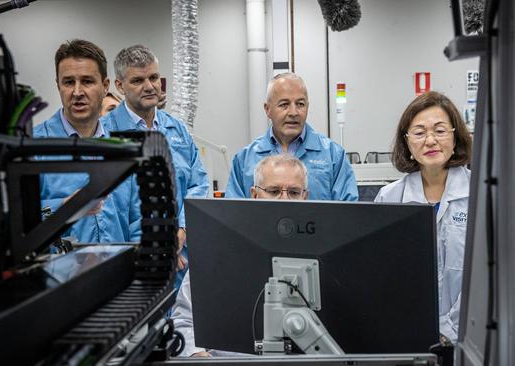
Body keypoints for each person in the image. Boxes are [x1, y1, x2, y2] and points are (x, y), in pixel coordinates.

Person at [172, 154, 309, 357]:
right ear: (254, 194)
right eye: (273, 191)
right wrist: (195, 354)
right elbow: (184, 320)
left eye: (294, 192)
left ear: (305, 197)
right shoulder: (217, 250)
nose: (285, 199)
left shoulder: (319, 254)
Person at [100, 45, 209, 285]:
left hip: (180, 262)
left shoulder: (177, 129)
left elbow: (198, 185)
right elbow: (108, 210)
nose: (149, 86)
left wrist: (181, 234)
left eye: (153, 77)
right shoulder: (104, 133)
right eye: (138, 80)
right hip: (133, 267)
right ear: (119, 86)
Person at [374, 91, 472, 343]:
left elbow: (486, 272)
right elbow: (381, 274)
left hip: (469, 335)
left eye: (440, 131)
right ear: (407, 143)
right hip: (407, 334)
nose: (430, 141)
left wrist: (449, 329)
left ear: (455, 137)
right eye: (419, 133)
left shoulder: (480, 193)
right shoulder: (390, 199)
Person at [34, 39, 140, 243]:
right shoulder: (32, 148)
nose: (77, 92)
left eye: (87, 81)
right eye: (68, 82)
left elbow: (136, 221)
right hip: (59, 273)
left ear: (105, 86)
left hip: (117, 270)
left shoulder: (123, 148)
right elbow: (15, 223)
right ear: (58, 86)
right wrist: (65, 208)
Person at [225, 72, 358, 201]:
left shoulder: (333, 156)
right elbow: (233, 215)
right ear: (267, 109)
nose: (293, 112)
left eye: (300, 104)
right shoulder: (244, 160)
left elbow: (347, 215)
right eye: (284, 105)